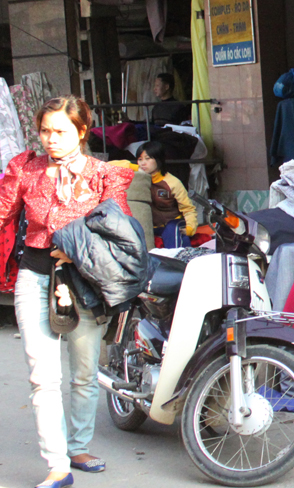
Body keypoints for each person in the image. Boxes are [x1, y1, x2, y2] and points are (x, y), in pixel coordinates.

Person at [0, 96, 134, 488]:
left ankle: (78, 446)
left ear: (80, 131)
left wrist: (74, 247)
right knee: (43, 378)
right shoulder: (24, 169)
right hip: (34, 276)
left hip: (84, 283)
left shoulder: (104, 174)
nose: (50, 139)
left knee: (83, 374)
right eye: (44, 131)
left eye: (59, 131)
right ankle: (58, 464)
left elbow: (118, 228)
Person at [136, 140, 197, 248]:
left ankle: (177, 260)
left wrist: (190, 228)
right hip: (152, 226)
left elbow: (188, 208)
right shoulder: (139, 180)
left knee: (172, 228)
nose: (142, 163)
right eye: (140, 159)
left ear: (158, 160)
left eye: (147, 158)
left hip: (174, 222)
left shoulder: (172, 182)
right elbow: (113, 165)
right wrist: (134, 168)